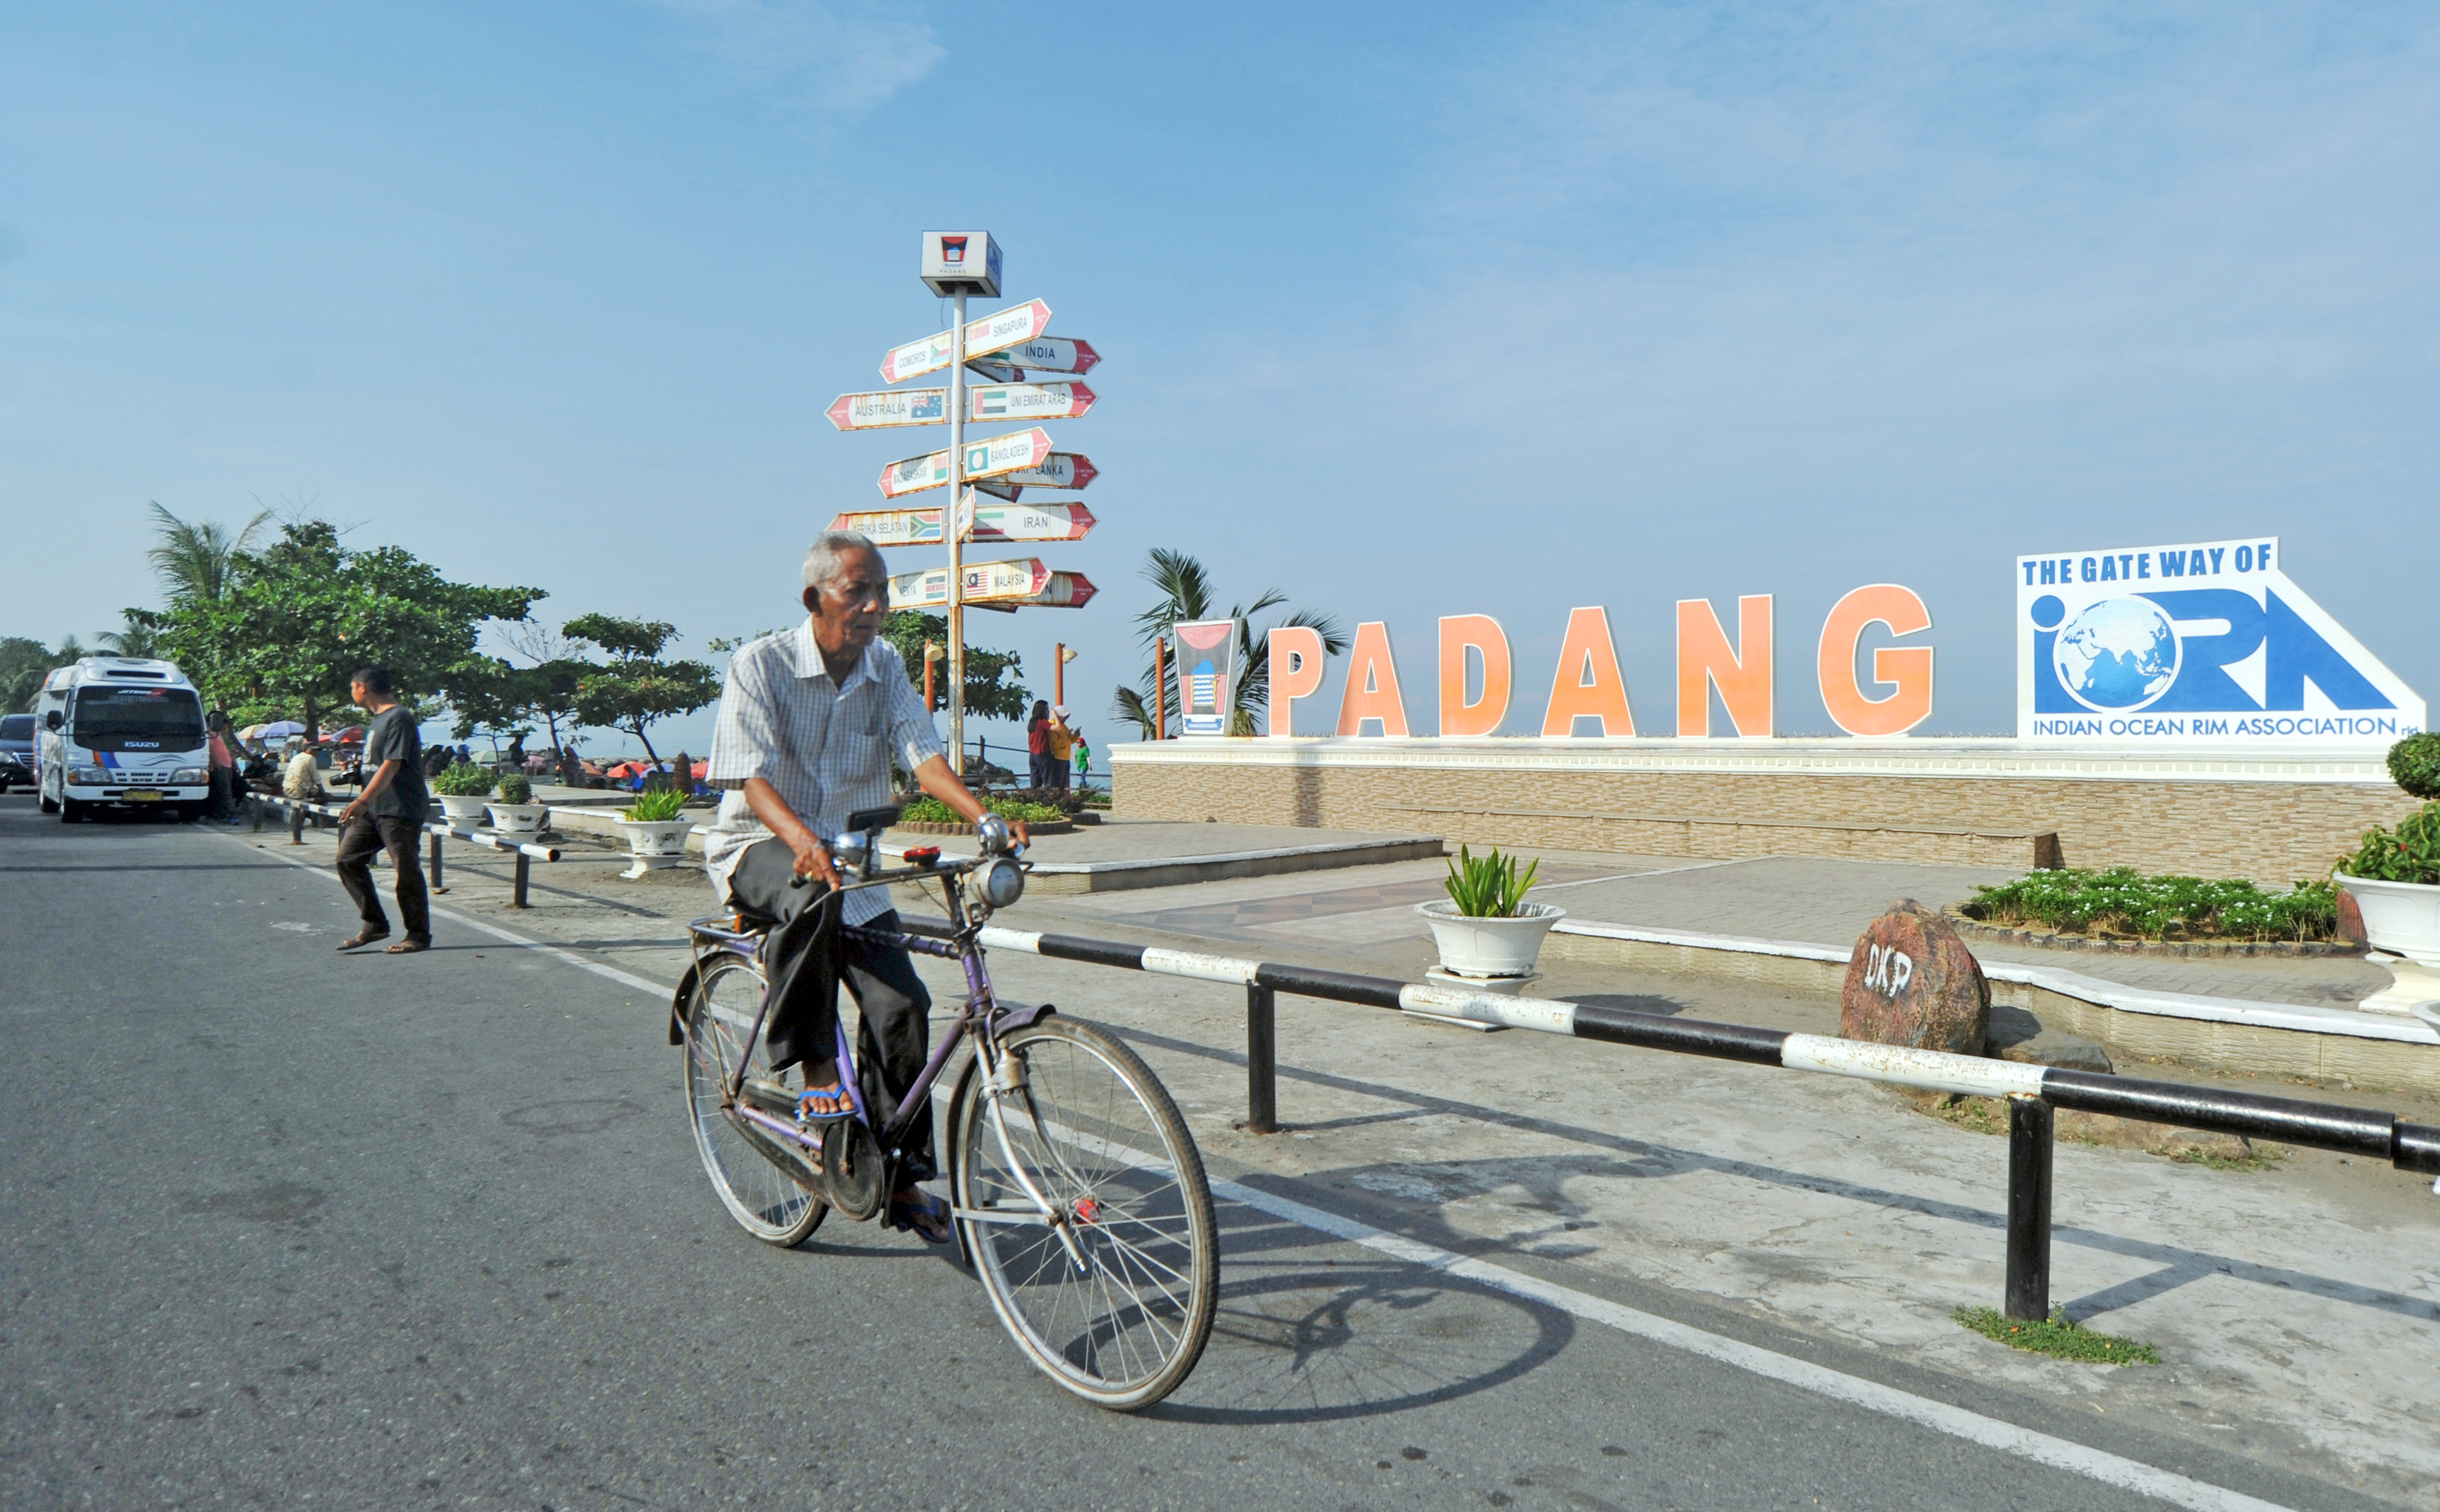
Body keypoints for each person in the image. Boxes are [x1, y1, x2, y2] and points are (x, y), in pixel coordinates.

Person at [702, 529, 1024, 1244]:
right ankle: (817, 1066)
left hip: (849, 863)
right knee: (808, 896)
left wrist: (986, 817)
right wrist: (800, 839)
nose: (876, 604)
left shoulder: (885, 667)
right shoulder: (760, 664)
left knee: (902, 1002)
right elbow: (748, 777)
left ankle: (899, 1177)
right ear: (816, 597)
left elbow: (925, 757)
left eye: (883, 590)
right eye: (859, 590)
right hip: (759, 846)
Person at [333, 665, 433, 955]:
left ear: (362, 687)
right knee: (348, 859)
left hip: (399, 807)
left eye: (352, 687)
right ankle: (375, 924)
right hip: (375, 809)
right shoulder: (377, 721)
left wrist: (361, 800)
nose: (351, 692)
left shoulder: (398, 717)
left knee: (405, 870)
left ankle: (418, 934)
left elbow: (392, 764)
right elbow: (377, 764)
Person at [282, 736, 326, 844]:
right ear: (309, 750)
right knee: (321, 798)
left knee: (311, 797)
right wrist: (323, 792)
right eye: (315, 750)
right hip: (299, 789)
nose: (317, 753)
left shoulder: (297, 757)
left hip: (287, 788)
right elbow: (316, 778)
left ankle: (304, 818)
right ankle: (314, 821)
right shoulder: (310, 758)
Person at [1025, 699, 1055, 790]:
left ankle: (1034, 798)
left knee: (1035, 780)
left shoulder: (1032, 722)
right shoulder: (1042, 722)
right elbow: (1056, 728)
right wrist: (1056, 717)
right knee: (1048, 781)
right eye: (1047, 709)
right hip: (1042, 753)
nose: (1049, 712)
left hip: (1033, 754)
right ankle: (1048, 800)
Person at [1046, 704, 1076, 792]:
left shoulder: (1064, 727)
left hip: (1066, 758)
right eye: (1064, 717)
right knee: (1058, 785)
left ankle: (1062, 801)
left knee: (1063, 784)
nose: (1065, 720)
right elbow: (1055, 744)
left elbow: (1069, 742)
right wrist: (1067, 740)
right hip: (1058, 758)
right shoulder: (1052, 726)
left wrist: (1075, 736)